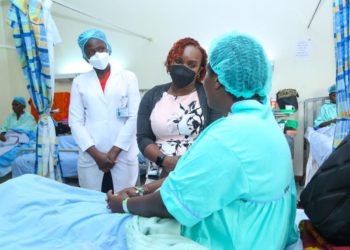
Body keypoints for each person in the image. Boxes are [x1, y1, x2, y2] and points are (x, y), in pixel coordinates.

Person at [107, 32, 299, 249]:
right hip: (268, 233)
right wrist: (145, 189)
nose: (202, 78)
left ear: (217, 80)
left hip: (240, 240)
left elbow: (170, 204)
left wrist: (124, 204)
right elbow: (195, 175)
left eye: (204, 71)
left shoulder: (227, 138)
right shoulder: (264, 122)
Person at [136, 37, 221, 191]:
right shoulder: (152, 95)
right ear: (170, 62)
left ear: (200, 70)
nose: (183, 68)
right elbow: (143, 138)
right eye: (179, 61)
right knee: (150, 210)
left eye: (191, 65)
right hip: (157, 171)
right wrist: (165, 161)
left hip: (194, 173)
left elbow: (214, 139)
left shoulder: (209, 96)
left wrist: (184, 163)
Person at [69, 29, 140, 193]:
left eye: (101, 48)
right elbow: (75, 122)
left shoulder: (128, 78)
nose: (97, 54)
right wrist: (97, 155)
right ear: (85, 57)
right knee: (93, 202)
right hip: (93, 156)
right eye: (91, 52)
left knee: (124, 202)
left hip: (122, 153)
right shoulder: (79, 82)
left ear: (108, 48)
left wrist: (115, 151)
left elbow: (134, 117)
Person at [0, 96, 36, 176]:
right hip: (7, 139)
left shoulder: (29, 117)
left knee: (10, 153)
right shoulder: (10, 117)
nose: (14, 107)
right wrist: (2, 134)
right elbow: (4, 128)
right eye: (13, 105)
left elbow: (28, 131)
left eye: (16, 105)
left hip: (22, 141)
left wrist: (13, 133)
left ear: (23, 106)